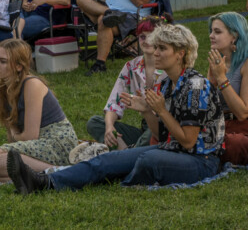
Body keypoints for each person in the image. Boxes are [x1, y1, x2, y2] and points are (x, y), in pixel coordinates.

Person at [7, 24, 224, 192]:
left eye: (162, 48)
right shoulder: (166, 84)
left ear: (181, 53)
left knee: (146, 160)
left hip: (200, 160)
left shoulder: (195, 85)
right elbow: (160, 136)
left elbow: (187, 141)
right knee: (108, 159)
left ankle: (116, 180)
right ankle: (46, 182)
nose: (155, 52)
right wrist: (147, 111)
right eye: (155, 47)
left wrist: (162, 111)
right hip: (171, 150)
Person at [0, 39, 78, 179]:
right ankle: (33, 174)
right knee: (6, 162)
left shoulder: (31, 85)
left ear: (19, 66)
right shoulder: (4, 89)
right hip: (34, 145)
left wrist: (14, 134)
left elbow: (29, 136)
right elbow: (15, 139)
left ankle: (63, 171)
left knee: (3, 159)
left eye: (3, 62)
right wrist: (15, 136)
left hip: (56, 142)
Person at [86, 16, 166, 149]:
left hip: (164, 128)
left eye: (152, 36)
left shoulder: (168, 68)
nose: (146, 41)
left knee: (150, 135)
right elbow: (114, 102)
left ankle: (124, 155)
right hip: (145, 128)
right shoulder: (131, 67)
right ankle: (128, 152)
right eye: (142, 37)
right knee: (95, 123)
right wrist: (110, 127)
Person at [207, 12, 248, 165]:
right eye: (211, 31)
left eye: (217, 31)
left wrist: (221, 79)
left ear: (234, 36)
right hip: (222, 128)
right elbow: (207, 108)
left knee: (231, 144)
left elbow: (242, 112)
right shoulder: (216, 64)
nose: (211, 36)